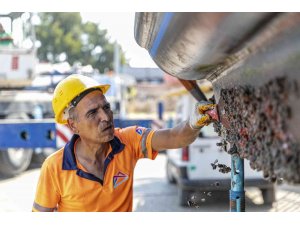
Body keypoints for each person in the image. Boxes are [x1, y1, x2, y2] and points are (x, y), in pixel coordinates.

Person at [32, 74, 216, 212]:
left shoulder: (128, 141)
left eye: (106, 107)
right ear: (73, 125)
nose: (105, 117)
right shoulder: (55, 167)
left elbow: (176, 137)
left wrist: (193, 122)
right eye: (92, 113)